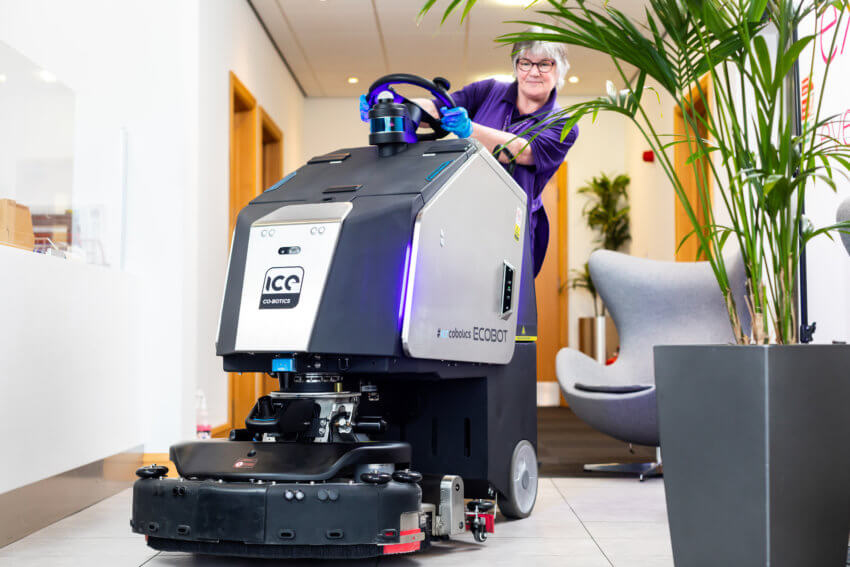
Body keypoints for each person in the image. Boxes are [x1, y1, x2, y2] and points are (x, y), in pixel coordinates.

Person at [360, 28, 578, 276]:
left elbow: (521, 150)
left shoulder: (563, 124)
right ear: (516, 66)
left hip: (509, 224)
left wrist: (469, 129)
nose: (533, 72)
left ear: (559, 70)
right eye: (525, 62)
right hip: (464, 211)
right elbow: (434, 108)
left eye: (544, 64)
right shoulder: (489, 90)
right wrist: (390, 105)